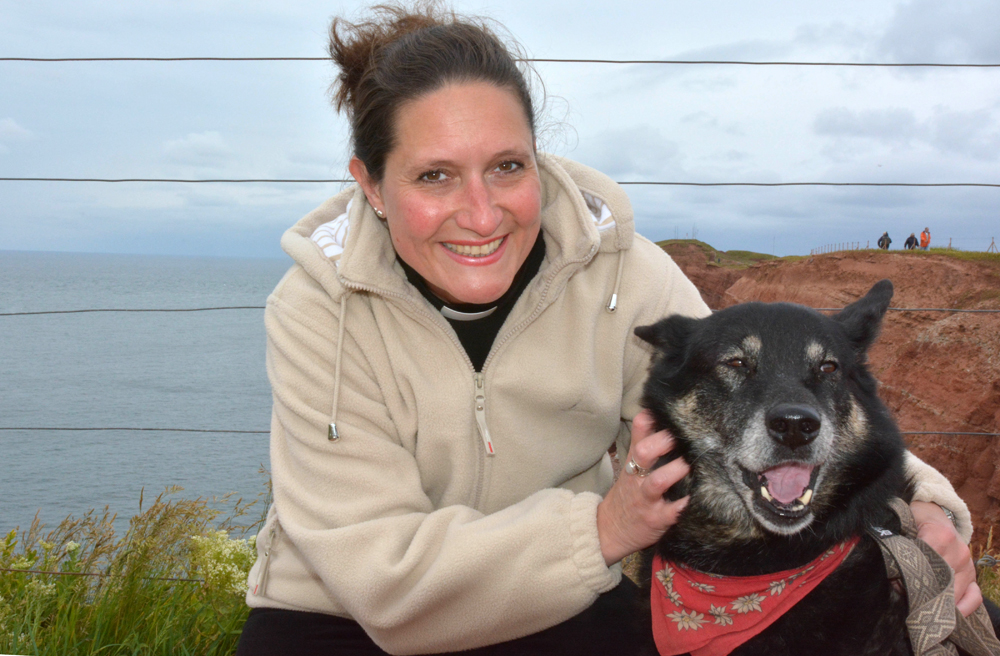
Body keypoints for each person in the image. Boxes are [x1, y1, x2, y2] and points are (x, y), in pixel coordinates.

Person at [237, 5, 980, 654]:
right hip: (341, 618)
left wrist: (925, 506)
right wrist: (602, 529)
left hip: (556, 597)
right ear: (369, 185)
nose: (482, 212)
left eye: (505, 166)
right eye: (434, 176)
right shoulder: (314, 313)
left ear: (539, 157)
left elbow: (760, 404)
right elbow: (383, 584)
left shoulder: (628, 277)